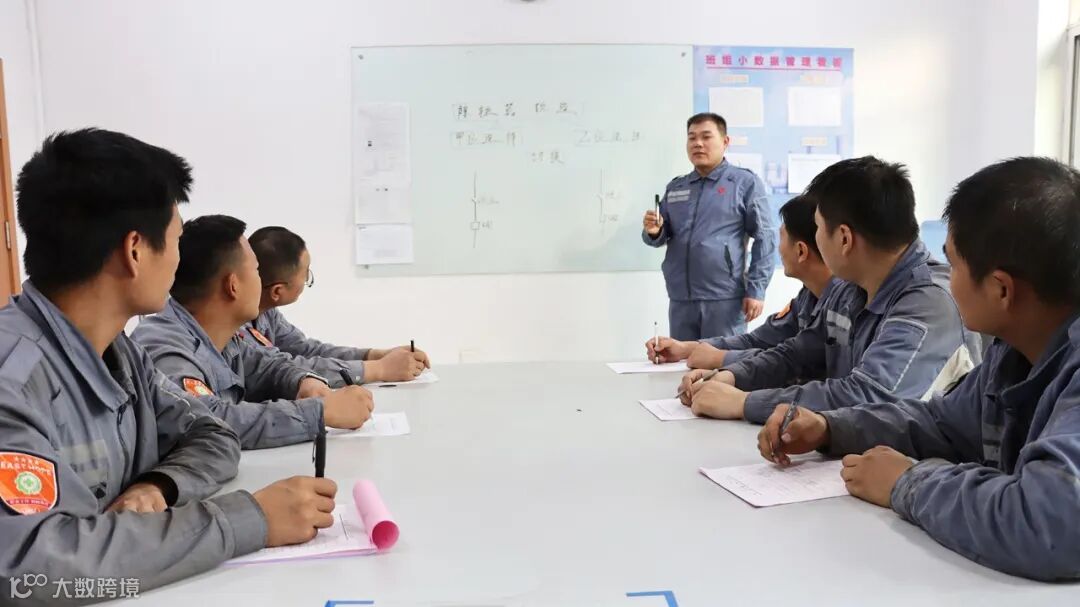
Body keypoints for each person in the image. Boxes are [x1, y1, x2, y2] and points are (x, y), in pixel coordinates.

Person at [0, 129, 339, 603]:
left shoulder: (122, 354)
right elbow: (29, 568)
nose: (180, 261)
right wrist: (248, 520)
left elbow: (213, 434)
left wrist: (159, 485)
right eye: (177, 240)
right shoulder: (13, 379)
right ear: (136, 250)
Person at [757, 157, 1080, 581]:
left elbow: (1049, 523)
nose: (947, 278)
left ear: (1001, 289)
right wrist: (830, 428)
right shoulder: (1014, 352)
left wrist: (907, 483)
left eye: (954, 264)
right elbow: (941, 423)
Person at [680, 156, 980, 423]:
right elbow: (797, 353)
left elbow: (867, 397)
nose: (816, 239)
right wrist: (732, 377)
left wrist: (745, 403)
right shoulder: (849, 287)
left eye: (819, 228)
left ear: (844, 239)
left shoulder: (928, 303)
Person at [132, 215, 374, 449]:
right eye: (257, 270)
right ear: (233, 285)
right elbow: (211, 420)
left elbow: (268, 366)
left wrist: (303, 382)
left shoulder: (222, 337)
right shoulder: (165, 347)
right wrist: (319, 412)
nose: (262, 281)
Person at [647, 193, 838, 369]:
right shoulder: (807, 297)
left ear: (801, 251)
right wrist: (686, 348)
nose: (778, 249)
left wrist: (722, 359)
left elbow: (791, 359)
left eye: (781, 238)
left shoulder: (843, 303)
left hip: (725, 299)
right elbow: (758, 341)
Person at [642, 112, 777, 341]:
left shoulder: (744, 183)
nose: (698, 143)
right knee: (683, 360)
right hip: (681, 298)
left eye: (706, 137)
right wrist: (654, 232)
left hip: (725, 300)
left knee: (720, 361)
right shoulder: (676, 187)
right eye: (692, 137)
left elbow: (766, 237)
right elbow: (661, 235)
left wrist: (757, 289)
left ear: (725, 142)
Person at [244, 226, 429, 384]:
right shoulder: (237, 331)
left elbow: (307, 350)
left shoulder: (267, 313)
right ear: (277, 291)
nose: (307, 279)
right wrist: (379, 369)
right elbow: (287, 369)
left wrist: (376, 356)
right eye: (305, 273)